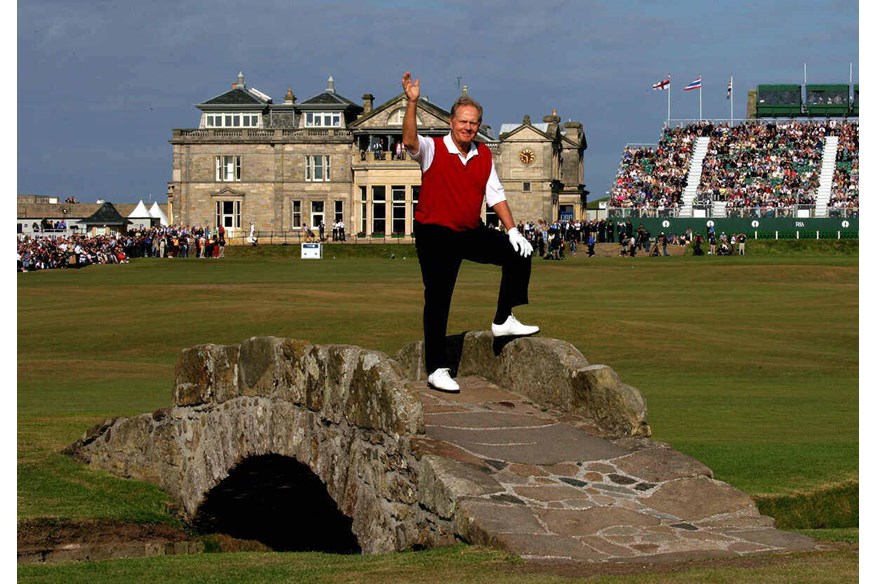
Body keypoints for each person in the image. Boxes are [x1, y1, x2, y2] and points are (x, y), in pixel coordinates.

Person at [402, 71, 538, 393]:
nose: (468, 127)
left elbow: (496, 194)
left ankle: (503, 318)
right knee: (438, 296)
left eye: (473, 123)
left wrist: (513, 230)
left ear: (479, 125)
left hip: (468, 230)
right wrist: (412, 103)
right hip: (434, 232)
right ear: (451, 122)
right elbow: (409, 141)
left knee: (519, 254)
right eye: (463, 121)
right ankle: (436, 368)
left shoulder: (484, 154)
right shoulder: (433, 148)